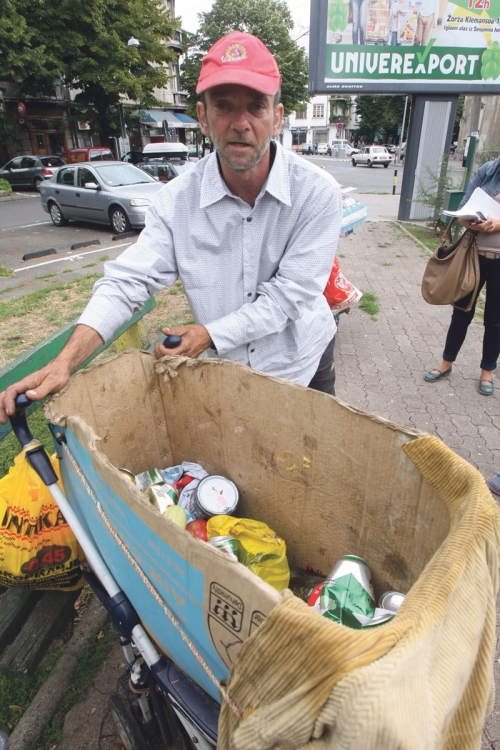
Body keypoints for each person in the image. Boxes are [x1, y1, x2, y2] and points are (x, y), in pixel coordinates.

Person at [0, 31, 342, 425]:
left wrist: (208, 335)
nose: (241, 123)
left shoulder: (316, 192)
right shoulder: (177, 201)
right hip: (228, 373)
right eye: (224, 106)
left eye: (256, 107)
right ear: (202, 116)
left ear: (277, 117)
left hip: (302, 362)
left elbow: (289, 298)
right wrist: (65, 363)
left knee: (307, 466)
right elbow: (127, 282)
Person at [424, 157, 500, 395]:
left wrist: (497, 226)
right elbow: (462, 212)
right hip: (474, 257)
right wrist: (479, 225)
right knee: (461, 312)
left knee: (495, 321)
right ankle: (446, 363)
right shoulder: (489, 170)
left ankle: (487, 371)